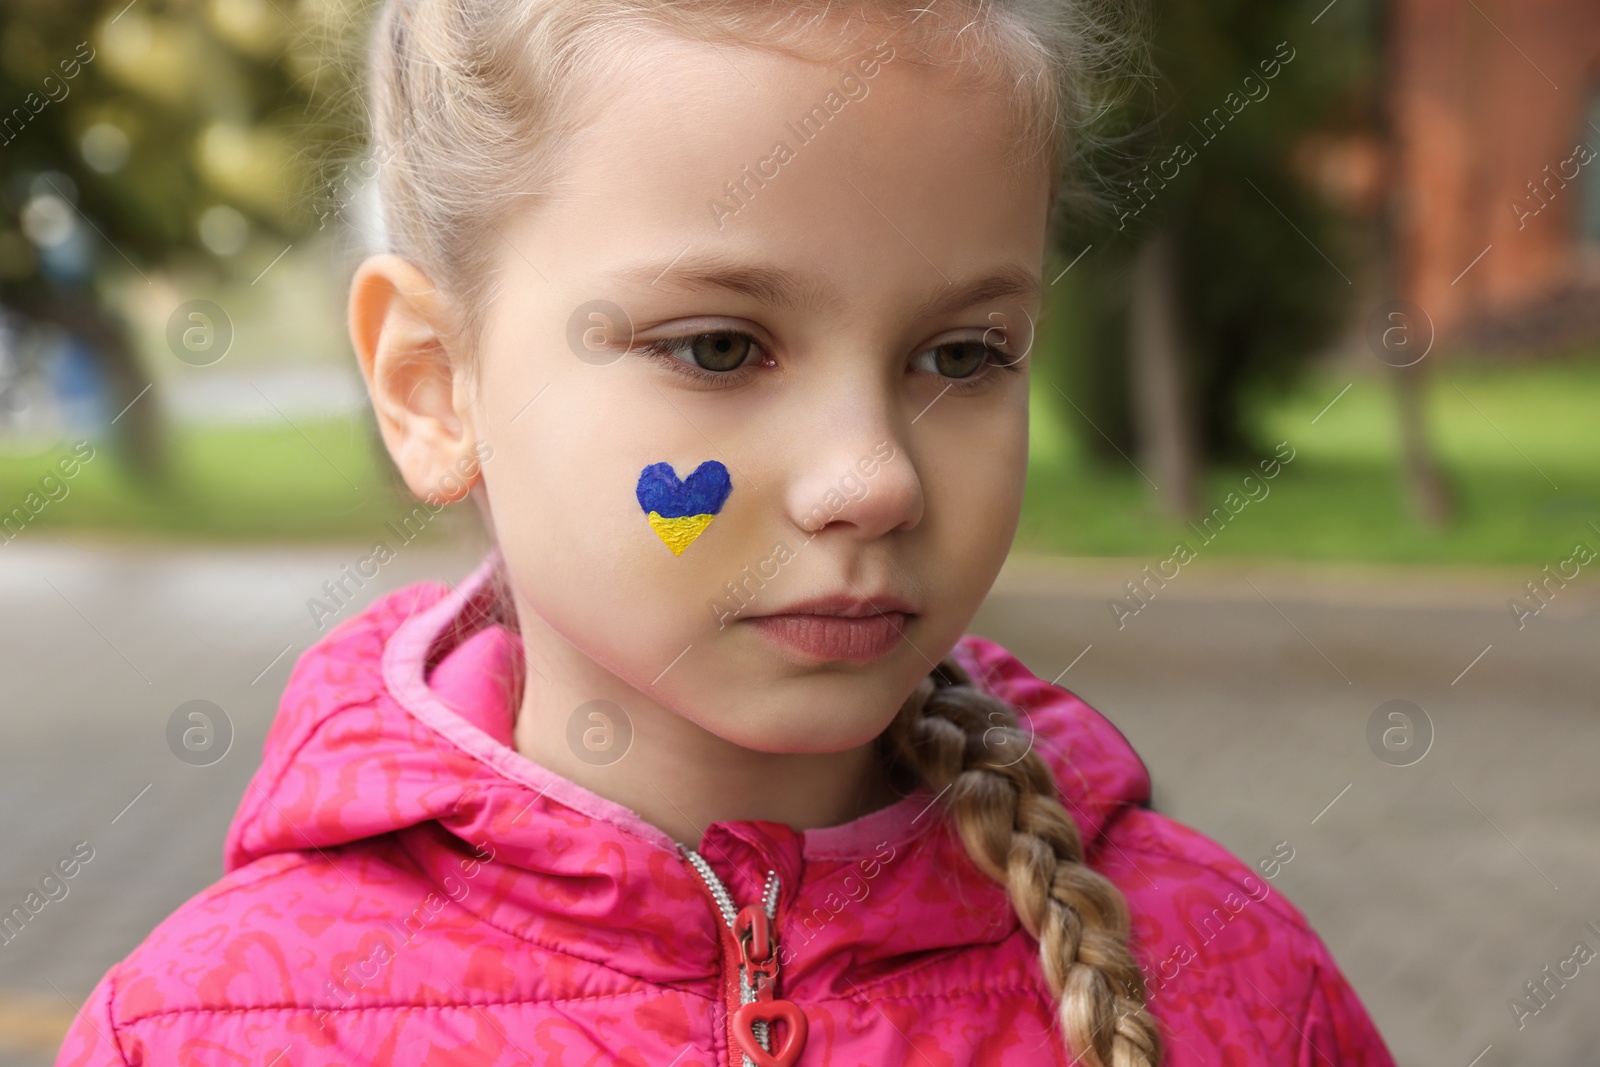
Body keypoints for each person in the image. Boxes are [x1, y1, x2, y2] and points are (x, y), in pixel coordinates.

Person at [56, 1, 1397, 1064]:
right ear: (432, 383)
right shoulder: (203, 1033)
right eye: (718, 346)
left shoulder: (1234, 983)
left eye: (962, 352)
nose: (871, 479)